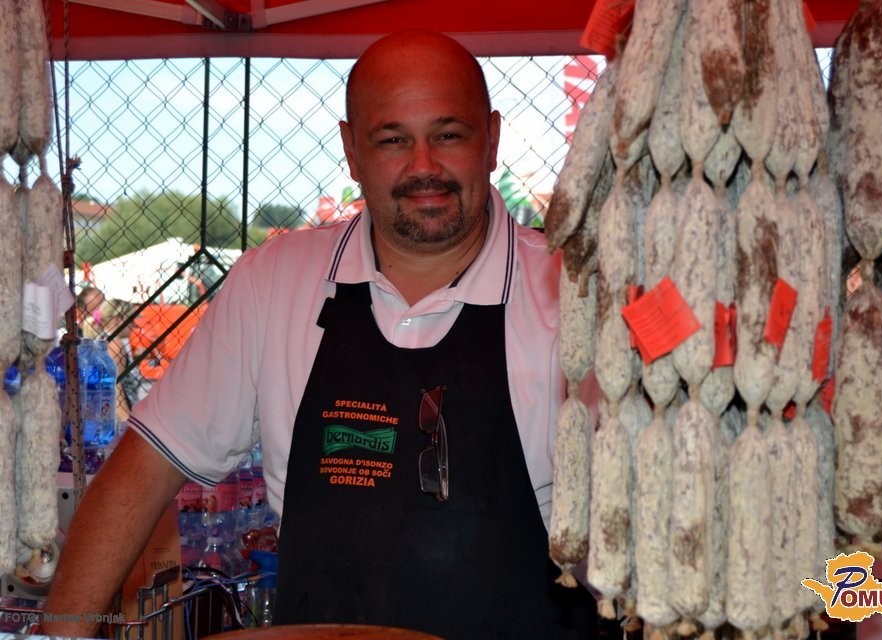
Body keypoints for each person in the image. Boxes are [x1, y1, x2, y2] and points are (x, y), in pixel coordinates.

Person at [41, 29, 598, 639]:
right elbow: (145, 467)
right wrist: (61, 634)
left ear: (491, 139)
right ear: (352, 151)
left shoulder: (573, 296)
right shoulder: (274, 282)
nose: (424, 167)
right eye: (392, 140)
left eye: (449, 135)